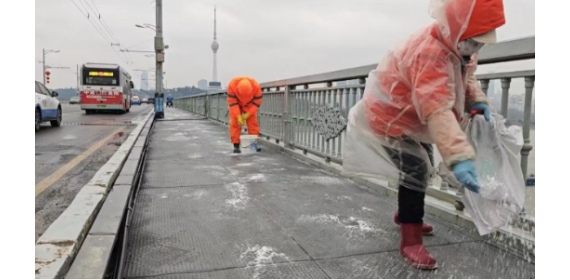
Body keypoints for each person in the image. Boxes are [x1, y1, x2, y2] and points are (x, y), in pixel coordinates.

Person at [342, 0, 504, 270]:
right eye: (474, 42)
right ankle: (410, 239)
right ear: (457, 29)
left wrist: (477, 99)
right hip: (391, 117)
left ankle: (405, 215)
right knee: (416, 169)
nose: (477, 50)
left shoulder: (460, 45)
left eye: (480, 44)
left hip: (414, 117)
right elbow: (437, 107)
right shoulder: (429, 52)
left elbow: (467, 76)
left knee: (420, 166)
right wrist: (459, 155)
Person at [227, 77, 263, 153]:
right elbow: (232, 103)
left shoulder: (256, 87)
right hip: (237, 103)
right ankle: (236, 144)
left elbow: (257, 103)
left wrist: (248, 114)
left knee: (253, 123)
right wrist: (238, 116)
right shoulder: (232, 85)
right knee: (235, 123)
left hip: (250, 104)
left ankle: (253, 143)